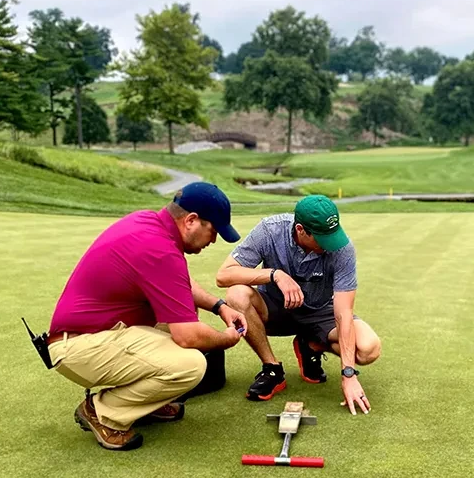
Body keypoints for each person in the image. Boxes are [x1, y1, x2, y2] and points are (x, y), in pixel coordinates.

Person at [46, 182, 249, 451]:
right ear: (191, 221)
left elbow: (182, 286)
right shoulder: (160, 250)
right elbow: (187, 336)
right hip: (77, 347)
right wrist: (227, 338)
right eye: (213, 231)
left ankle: (143, 403)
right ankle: (102, 412)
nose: (213, 241)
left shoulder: (147, 223)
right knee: (191, 364)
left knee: (185, 312)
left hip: (93, 335)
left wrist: (220, 306)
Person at [215, 195, 381, 415]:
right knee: (236, 294)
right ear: (301, 229)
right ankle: (272, 368)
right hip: (274, 308)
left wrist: (348, 374)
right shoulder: (269, 230)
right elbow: (223, 275)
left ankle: (310, 345)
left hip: (321, 312)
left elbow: (343, 313)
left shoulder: (342, 248)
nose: (330, 244)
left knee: (369, 349)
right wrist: (274, 275)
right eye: (323, 238)